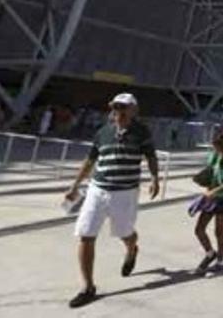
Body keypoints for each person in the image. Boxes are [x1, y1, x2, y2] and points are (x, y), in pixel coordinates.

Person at [63, 93, 159, 308]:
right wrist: (75, 186)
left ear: (134, 110)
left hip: (124, 193)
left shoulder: (141, 132)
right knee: (85, 234)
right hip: (97, 190)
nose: (118, 111)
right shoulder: (102, 133)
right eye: (115, 107)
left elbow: (151, 156)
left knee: (125, 233)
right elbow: (90, 161)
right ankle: (88, 287)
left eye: (123, 107)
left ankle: (132, 248)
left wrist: (154, 178)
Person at [191, 132, 223, 275]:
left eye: (217, 145)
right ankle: (210, 253)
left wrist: (213, 192)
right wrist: (201, 178)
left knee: (219, 231)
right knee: (199, 229)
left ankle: (220, 261)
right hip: (211, 199)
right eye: (214, 145)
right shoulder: (214, 156)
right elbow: (210, 172)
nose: (214, 148)